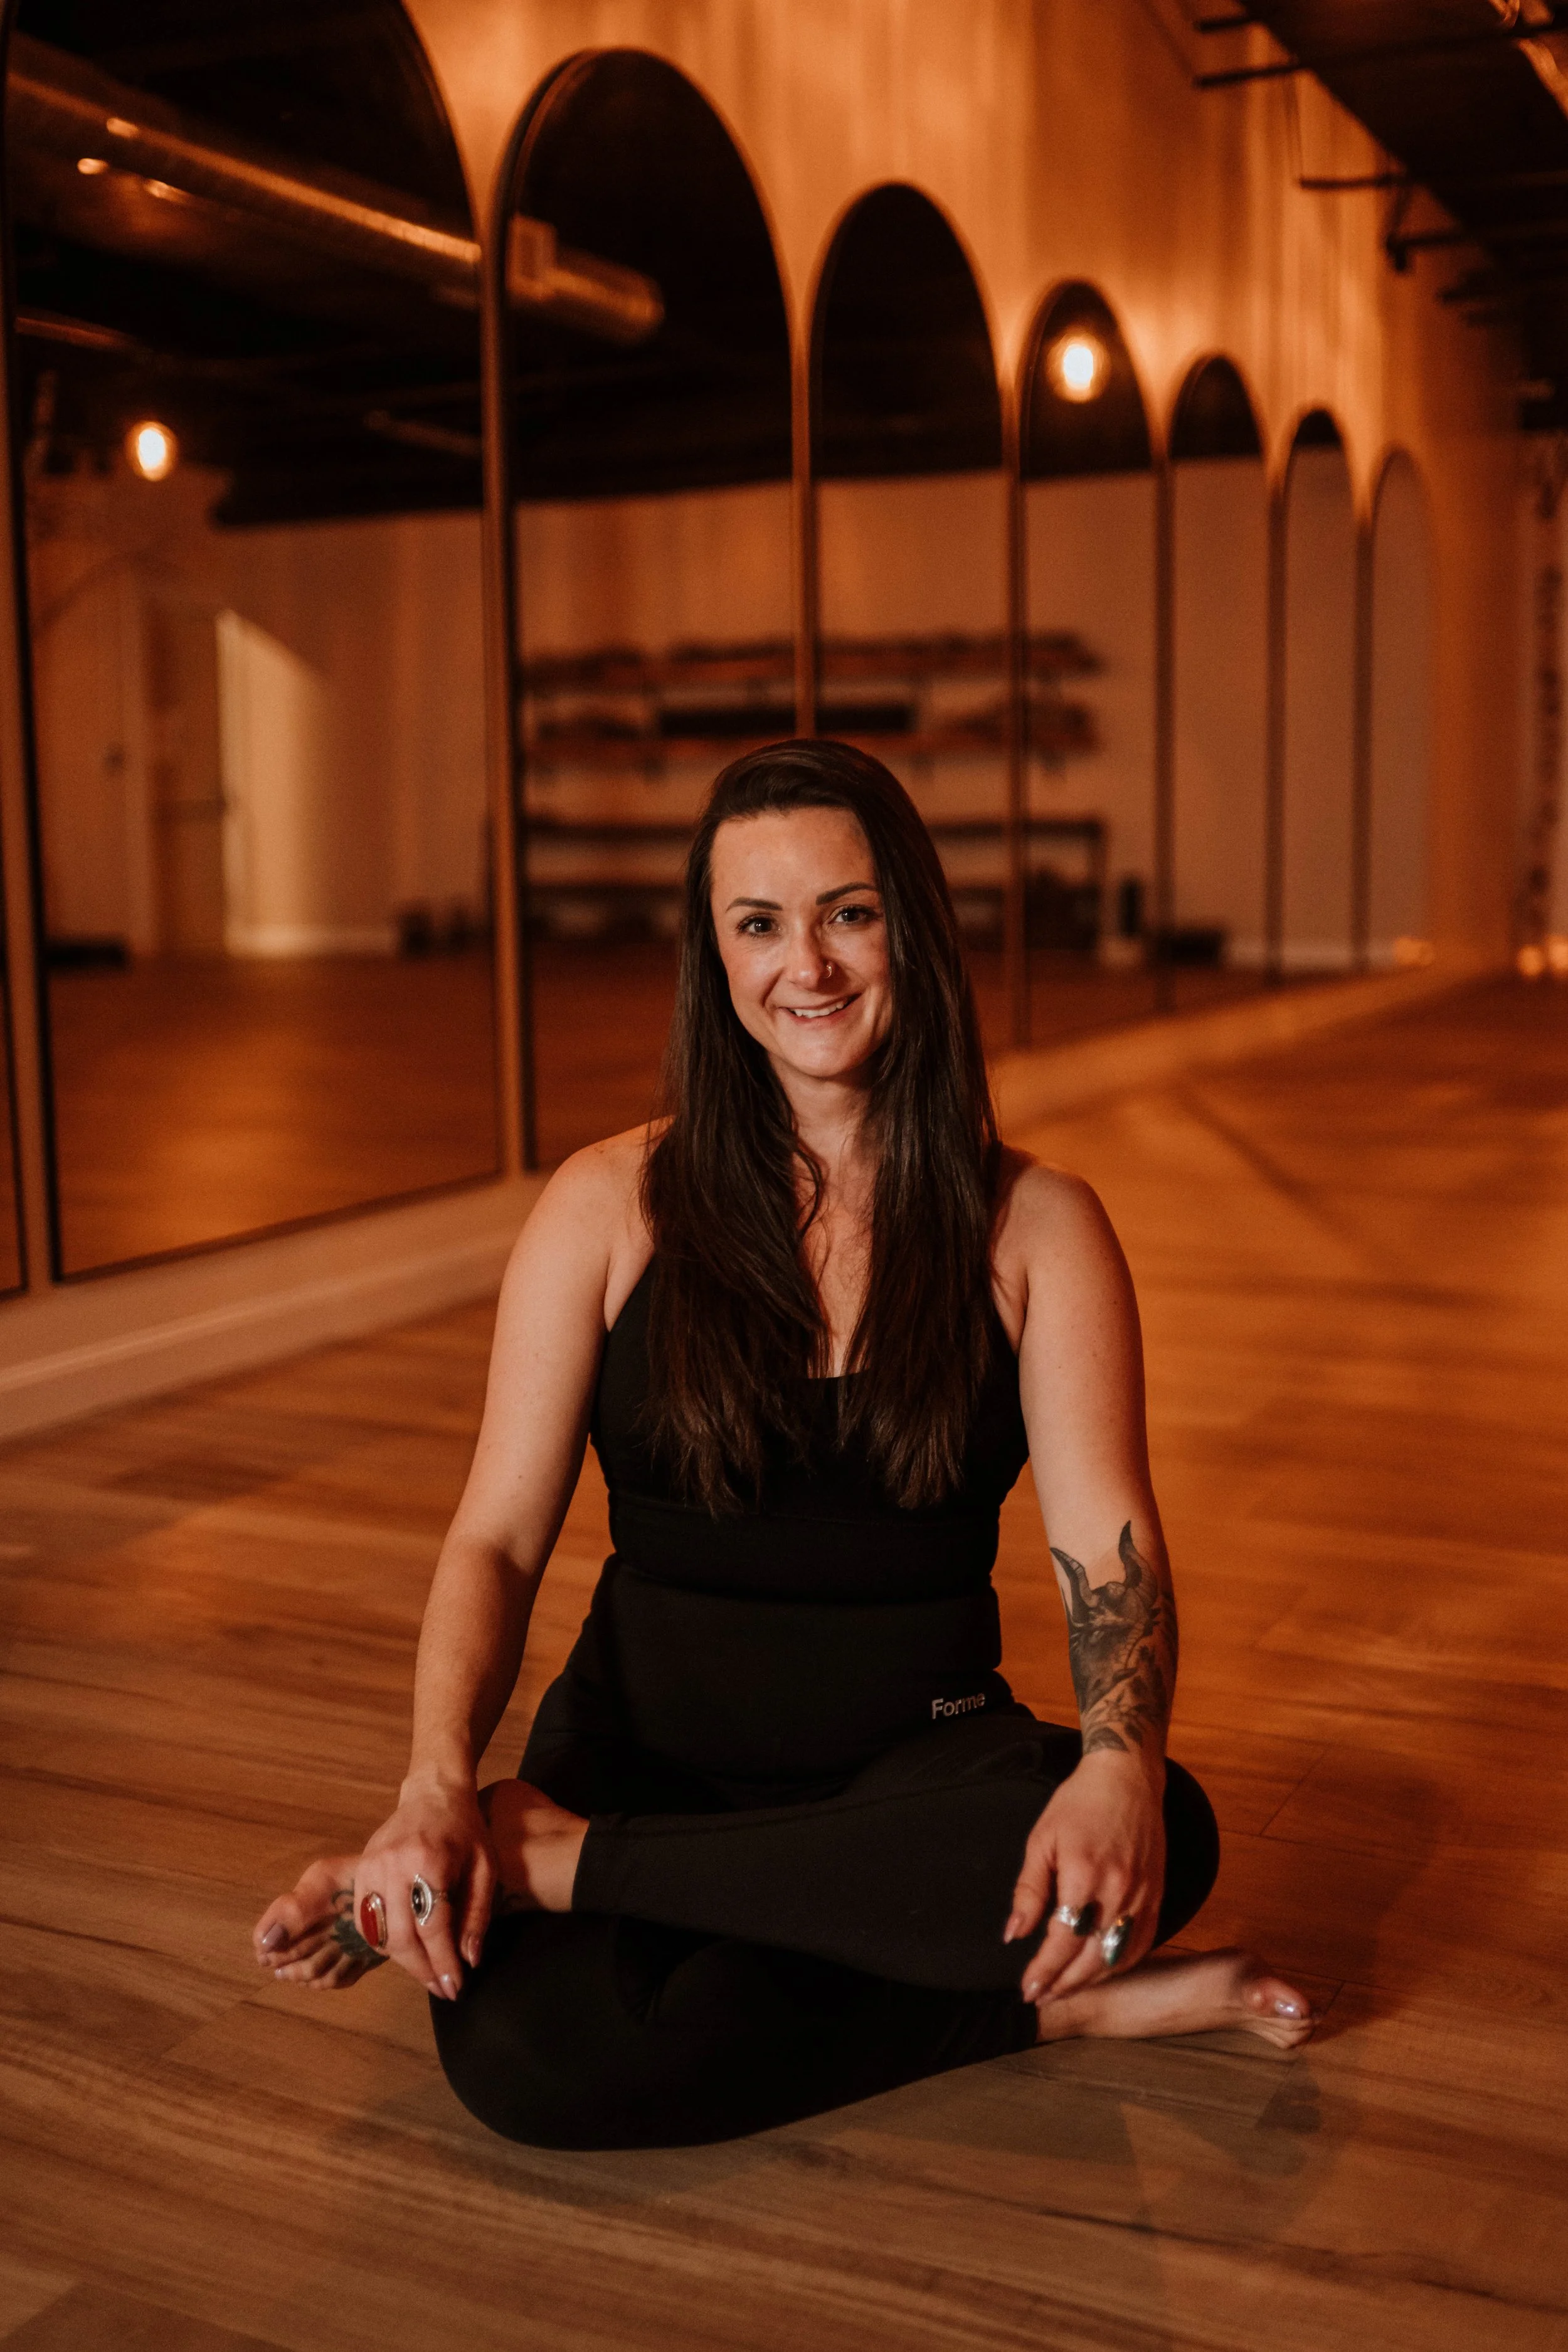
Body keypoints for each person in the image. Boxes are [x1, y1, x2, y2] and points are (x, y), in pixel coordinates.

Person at [253, 739, 1313, 2150]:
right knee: (543, 2070)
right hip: (646, 1752)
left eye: (847, 913)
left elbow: (1100, 1537)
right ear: (713, 957)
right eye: (757, 924)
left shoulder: (1035, 1226)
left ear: (910, 930)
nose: (804, 965)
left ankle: (554, 1867)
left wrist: (1118, 1767)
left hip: (908, 1766)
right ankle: (1043, 2006)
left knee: (1159, 1827)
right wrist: (434, 1787)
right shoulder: (608, 1206)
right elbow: (495, 1539)